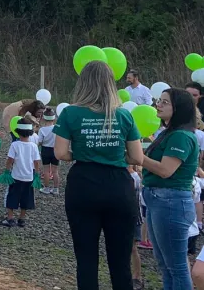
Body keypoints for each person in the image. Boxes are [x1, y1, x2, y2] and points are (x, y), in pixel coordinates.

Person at [54, 60, 144, 290]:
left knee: (86, 260)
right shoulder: (124, 115)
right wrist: (111, 154)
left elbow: (61, 153)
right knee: (120, 262)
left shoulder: (70, 113)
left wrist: (85, 152)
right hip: (118, 186)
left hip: (83, 184)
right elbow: (137, 157)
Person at [140, 88, 199, 290]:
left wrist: (139, 157)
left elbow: (166, 170)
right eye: (159, 100)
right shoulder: (169, 133)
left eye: (165, 102)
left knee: (176, 266)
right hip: (160, 200)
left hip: (171, 202)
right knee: (165, 265)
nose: (158, 104)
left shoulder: (181, 136)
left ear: (179, 108)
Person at [0, 120, 41, 227]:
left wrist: (6, 171)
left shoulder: (15, 145)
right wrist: (36, 174)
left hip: (16, 176)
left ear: (17, 132)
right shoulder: (34, 146)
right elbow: (36, 162)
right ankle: (22, 219)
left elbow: (10, 160)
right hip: (29, 177)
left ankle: (10, 218)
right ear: (30, 132)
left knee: (12, 196)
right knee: (26, 197)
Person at [38, 109, 59, 194]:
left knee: (46, 170)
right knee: (55, 171)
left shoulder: (42, 129)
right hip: (55, 150)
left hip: (45, 150)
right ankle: (55, 189)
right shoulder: (58, 128)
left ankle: (46, 188)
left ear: (44, 118)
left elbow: (39, 142)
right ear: (54, 119)